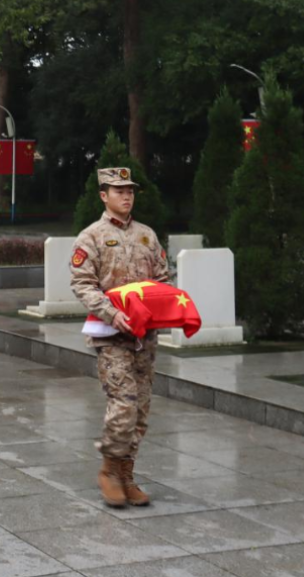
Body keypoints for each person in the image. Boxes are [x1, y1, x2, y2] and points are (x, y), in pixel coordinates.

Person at [70, 167, 169, 509]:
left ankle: (127, 473)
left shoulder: (147, 235)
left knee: (140, 410)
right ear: (103, 195)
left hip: (145, 337)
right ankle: (109, 470)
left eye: (130, 191)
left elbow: (163, 279)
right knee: (123, 404)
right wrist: (113, 314)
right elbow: (82, 283)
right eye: (118, 190)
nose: (126, 196)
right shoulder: (91, 236)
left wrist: (161, 309)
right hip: (111, 336)